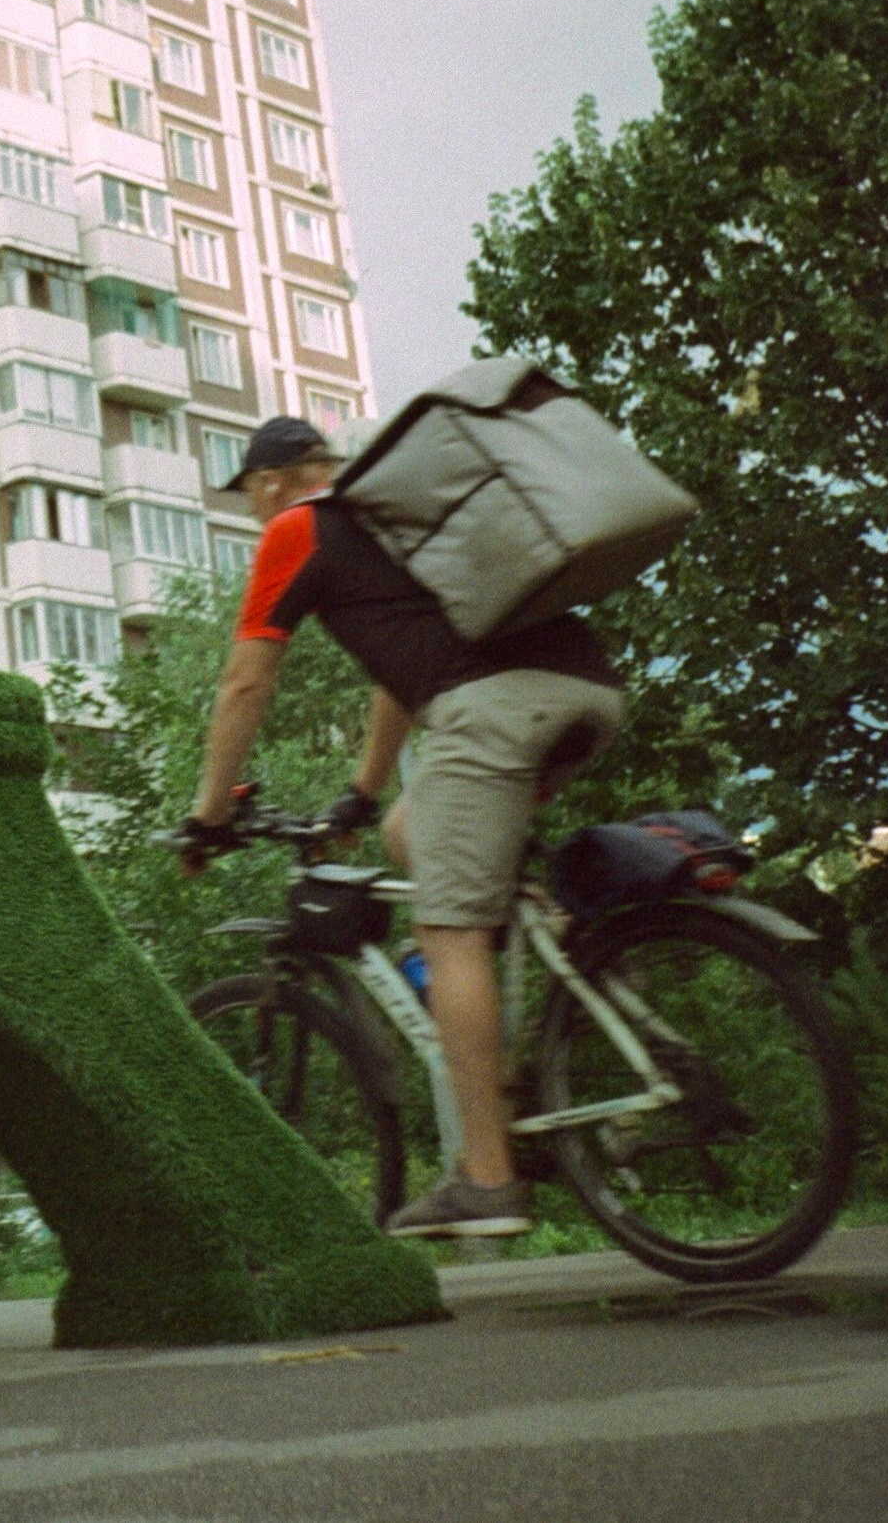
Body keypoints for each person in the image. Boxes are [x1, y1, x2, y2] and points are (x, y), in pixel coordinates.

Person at [178, 414, 624, 1237]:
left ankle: (487, 1181)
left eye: (248, 493)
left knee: (446, 931)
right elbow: (400, 681)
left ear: (271, 482)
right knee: (409, 831)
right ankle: (575, 995)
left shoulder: (297, 528)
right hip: (586, 690)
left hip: (495, 709)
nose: (251, 509)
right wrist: (359, 794)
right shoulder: (401, 518)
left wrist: (208, 815)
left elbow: (246, 682)